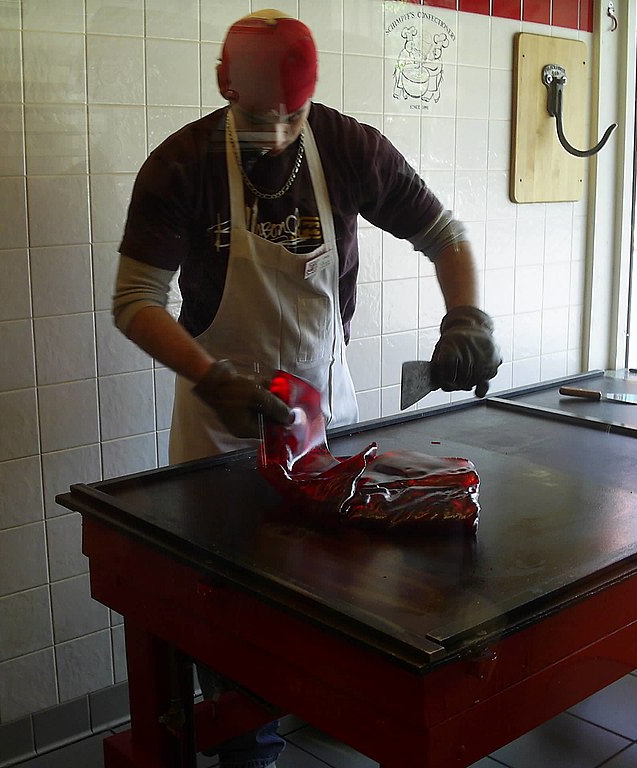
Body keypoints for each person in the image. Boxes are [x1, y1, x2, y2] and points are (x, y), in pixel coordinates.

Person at [112, 9, 501, 767]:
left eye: (293, 114)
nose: (279, 133)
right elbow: (135, 302)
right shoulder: (183, 164)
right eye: (261, 115)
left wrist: (466, 318)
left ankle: (323, 703)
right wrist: (211, 377)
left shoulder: (348, 146)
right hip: (221, 426)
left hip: (327, 420)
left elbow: (444, 233)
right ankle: (247, 747)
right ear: (226, 86)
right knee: (228, 610)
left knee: (335, 590)